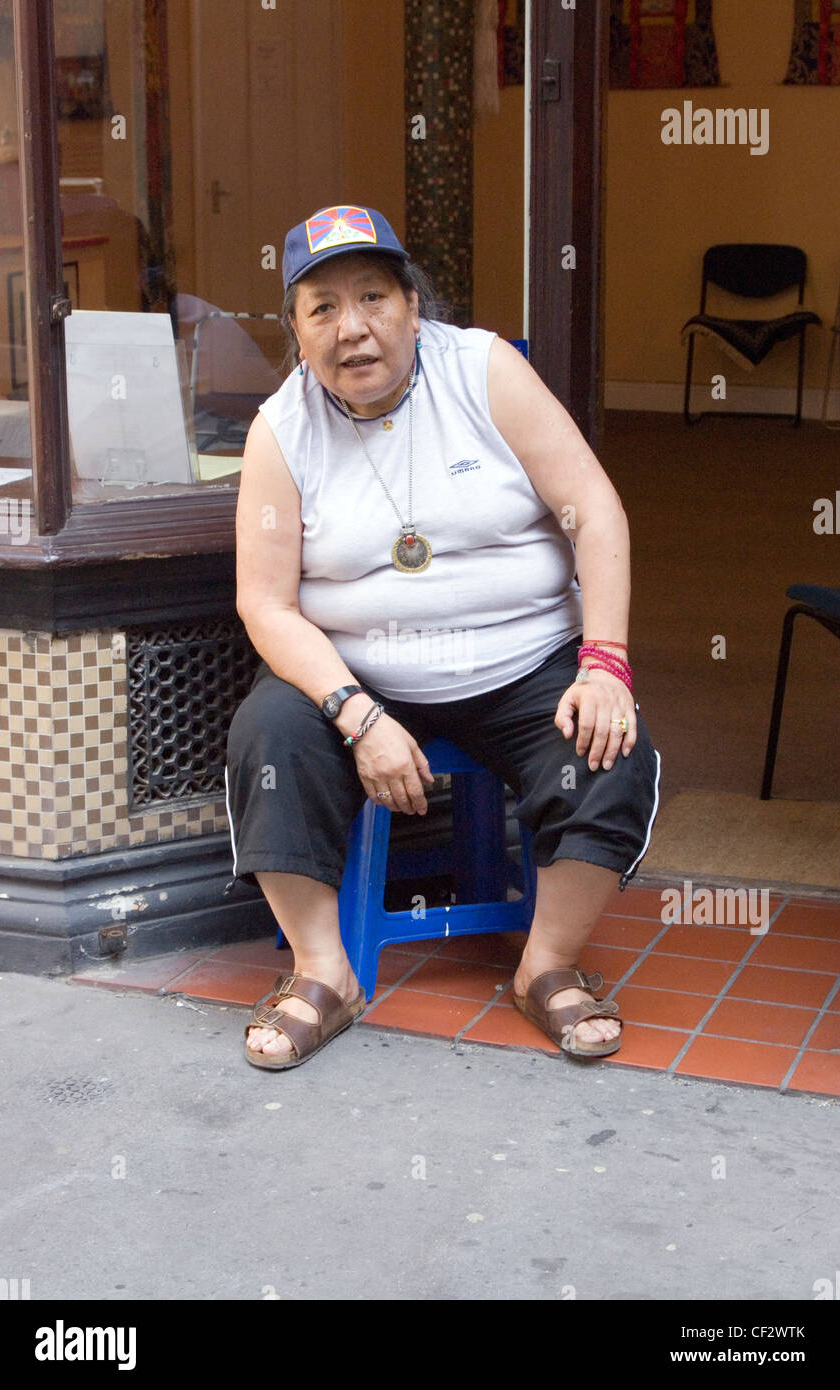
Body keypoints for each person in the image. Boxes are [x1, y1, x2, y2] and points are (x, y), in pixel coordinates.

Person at [226, 204, 661, 1071]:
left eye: (373, 297)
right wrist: (353, 711)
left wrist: (604, 660)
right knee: (268, 735)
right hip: (362, 670)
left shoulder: (484, 370)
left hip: (520, 658)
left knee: (608, 748)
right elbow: (266, 604)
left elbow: (595, 512)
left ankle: (547, 964)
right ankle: (324, 974)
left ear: (414, 307)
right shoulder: (282, 429)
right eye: (323, 309)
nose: (353, 328)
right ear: (297, 333)